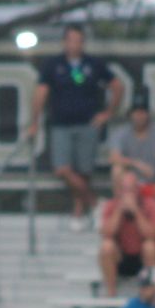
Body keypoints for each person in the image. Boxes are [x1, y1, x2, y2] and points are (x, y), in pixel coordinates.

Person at [28, 23, 122, 230]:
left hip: (87, 124)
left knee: (84, 170)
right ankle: (96, 203)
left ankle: (78, 213)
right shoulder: (53, 65)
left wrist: (108, 113)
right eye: (71, 40)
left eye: (78, 40)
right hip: (61, 124)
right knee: (63, 169)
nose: (74, 44)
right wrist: (34, 122)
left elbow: (117, 86)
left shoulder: (94, 64)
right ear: (64, 42)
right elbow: (41, 93)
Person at [97, 170, 155, 299]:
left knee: (150, 246)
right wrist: (119, 211)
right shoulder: (111, 206)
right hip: (122, 257)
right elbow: (106, 233)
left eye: (131, 189)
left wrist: (136, 212)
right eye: (124, 190)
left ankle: (151, 293)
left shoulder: (151, 205)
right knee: (106, 246)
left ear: (137, 190)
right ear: (119, 191)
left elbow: (152, 235)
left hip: (143, 257)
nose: (128, 194)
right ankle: (111, 293)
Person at [108, 93, 155, 202]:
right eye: (136, 112)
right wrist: (137, 163)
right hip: (130, 184)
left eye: (143, 112)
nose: (140, 115)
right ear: (131, 114)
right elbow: (113, 158)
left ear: (148, 114)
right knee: (117, 170)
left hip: (153, 182)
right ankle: (119, 207)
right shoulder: (121, 132)